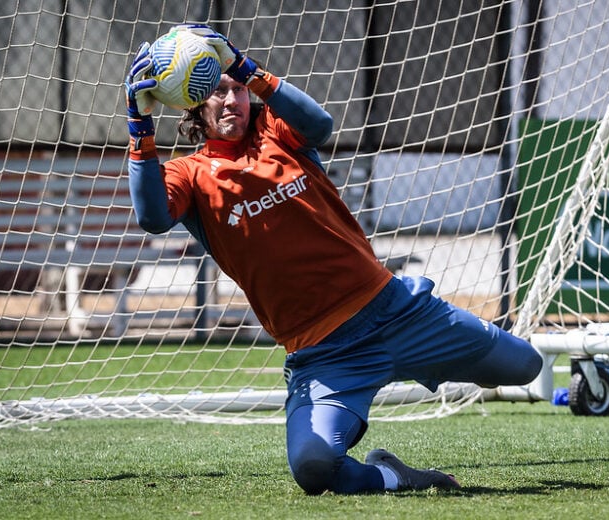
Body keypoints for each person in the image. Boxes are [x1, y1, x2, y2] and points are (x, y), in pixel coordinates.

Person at [124, 25, 543, 495]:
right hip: (324, 354)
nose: (231, 100)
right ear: (195, 106)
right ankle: (393, 475)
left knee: (525, 366)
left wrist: (247, 67)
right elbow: (153, 218)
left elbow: (321, 125)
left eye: (238, 89)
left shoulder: (275, 129)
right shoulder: (189, 173)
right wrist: (140, 128)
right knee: (314, 468)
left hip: (397, 312)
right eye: (217, 91)